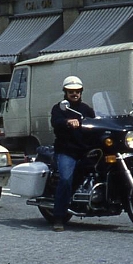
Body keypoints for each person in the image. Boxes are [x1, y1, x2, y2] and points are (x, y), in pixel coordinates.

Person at [50, 75, 96, 232]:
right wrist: (67, 122)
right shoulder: (59, 108)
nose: (74, 94)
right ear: (65, 92)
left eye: (77, 91)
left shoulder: (86, 109)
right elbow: (55, 122)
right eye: (71, 91)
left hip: (84, 150)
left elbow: (95, 122)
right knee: (66, 179)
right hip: (67, 151)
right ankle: (58, 217)